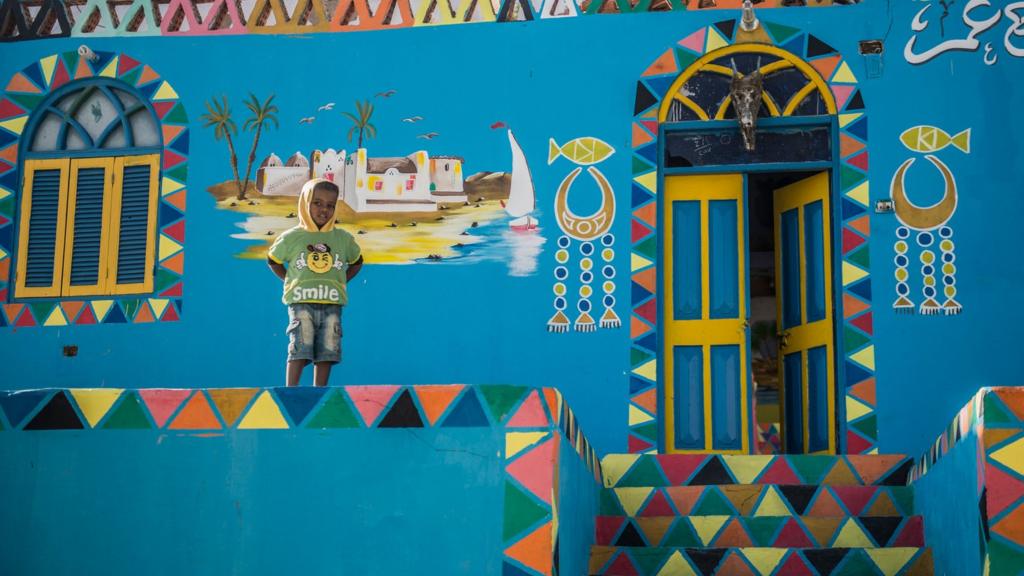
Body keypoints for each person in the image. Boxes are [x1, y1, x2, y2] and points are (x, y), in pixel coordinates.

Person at [267, 178, 363, 387]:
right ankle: (290, 389)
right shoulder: (292, 237)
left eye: (330, 205)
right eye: (317, 203)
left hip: (332, 303)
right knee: (301, 342)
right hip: (301, 301)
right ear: (305, 202)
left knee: (328, 346)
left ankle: (319, 390)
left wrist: (340, 281)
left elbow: (357, 262)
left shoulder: (343, 239)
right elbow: (273, 261)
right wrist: (291, 279)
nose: (323, 210)